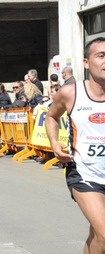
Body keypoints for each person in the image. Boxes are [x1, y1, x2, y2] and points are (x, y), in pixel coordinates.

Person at [45, 37, 105, 254]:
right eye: (101, 56)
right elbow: (51, 117)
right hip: (84, 172)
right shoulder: (71, 93)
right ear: (87, 63)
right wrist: (54, 142)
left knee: (96, 235)